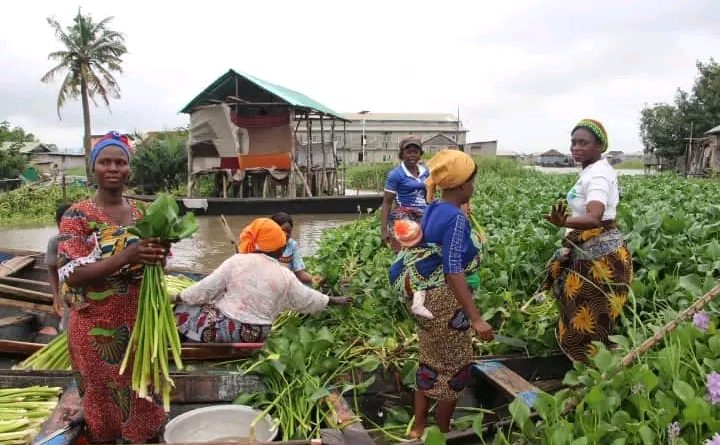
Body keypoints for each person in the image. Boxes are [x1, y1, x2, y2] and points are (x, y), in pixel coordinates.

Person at [57, 131, 170, 443]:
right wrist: (129, 255)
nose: (113, 168)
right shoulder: (77, 216)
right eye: (105, 161)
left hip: (141, 325)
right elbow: (74, 275)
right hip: (95, 329)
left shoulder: (143, 212)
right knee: (102, 405)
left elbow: (159, 264)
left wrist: (158, 254)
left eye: (120, 162)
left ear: (128, 169)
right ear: (93, 167)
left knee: (144, 398)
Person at [388, 149, 494, 437]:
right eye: (472, 182)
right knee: (456, 368)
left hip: (425, 297)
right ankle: (442, 431)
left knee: (430, 361)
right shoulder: (456, 219)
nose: (473, 187)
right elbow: (453, 270)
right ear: (462, 185)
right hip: (446, 301)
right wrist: (475, 318)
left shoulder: (433, 207)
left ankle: (419, 427)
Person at [541, 119, 633, 362]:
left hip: (598, 261)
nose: (576, 148)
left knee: (588, 321)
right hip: (594, 252)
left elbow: (594, 217)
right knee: (583, 318)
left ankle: (590, 376)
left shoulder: (599, 175)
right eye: (573, 142)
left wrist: (564, 223)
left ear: (600, 146)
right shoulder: (592, 171)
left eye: (584, 143)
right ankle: (585, 373)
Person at [172, 218, 350, 343]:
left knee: (184, 308)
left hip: (232, 329)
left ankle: (188, 340)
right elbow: (309, 298)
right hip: (259, 333)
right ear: (280, 247)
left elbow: (204, 289)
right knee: (211, 303)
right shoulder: (285, 275)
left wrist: (177, 297)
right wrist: (335, 300)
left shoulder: (238, 261)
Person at [380, 136, 429, 250]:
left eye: (415, 152)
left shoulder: (425, 172)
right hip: (404, 213)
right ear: (402, 154)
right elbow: (387, 202)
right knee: (409, 238)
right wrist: (384, 230)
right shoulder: (396, 174)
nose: (412, 155)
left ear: (420, 154)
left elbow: (427, 196)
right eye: (408, 152)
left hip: (422, 212)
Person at [270, 212, 325, 286]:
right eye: (282, 231)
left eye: (288, 231)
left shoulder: (292, 245)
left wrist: (313, 279)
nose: (286, 234)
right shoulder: (265, 245)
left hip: (287, 284)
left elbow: (300, 274)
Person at [46, 203, 72, 331]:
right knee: (67, 327)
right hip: (67, 290)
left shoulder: (89, 238)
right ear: (58, 224)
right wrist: (55, 297)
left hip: (87, 289)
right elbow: (52, 269)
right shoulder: (55, 241)